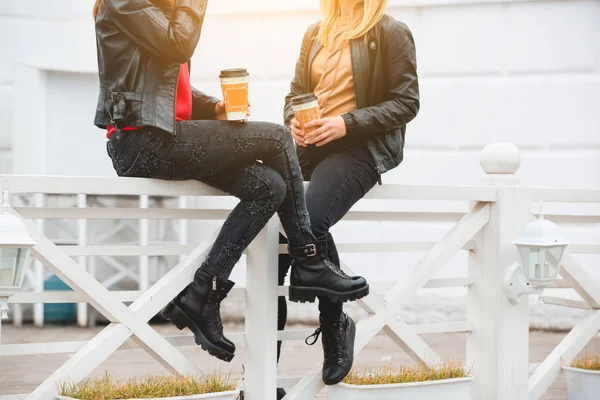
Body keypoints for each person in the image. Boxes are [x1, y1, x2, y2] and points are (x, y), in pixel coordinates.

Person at [92, 0, 370, 373]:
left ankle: (202, 293)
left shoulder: (152, 8)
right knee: (276, 139)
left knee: (269, 186)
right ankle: (309, 258)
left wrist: (215, 108)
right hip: (140, 141)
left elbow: (166, 91)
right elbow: (179, 46)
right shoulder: (123, 2)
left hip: (163, 134)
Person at [278, 0, 419, 386]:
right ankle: (259, 375)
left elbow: (407, 102)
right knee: (272, 238)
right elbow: (295, 95)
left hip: (359, 147)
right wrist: (293, 121)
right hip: (309, 146)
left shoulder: (390, 31)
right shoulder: (316, 32)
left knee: (308, 217)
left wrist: (346, 123)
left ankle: (333, 323)